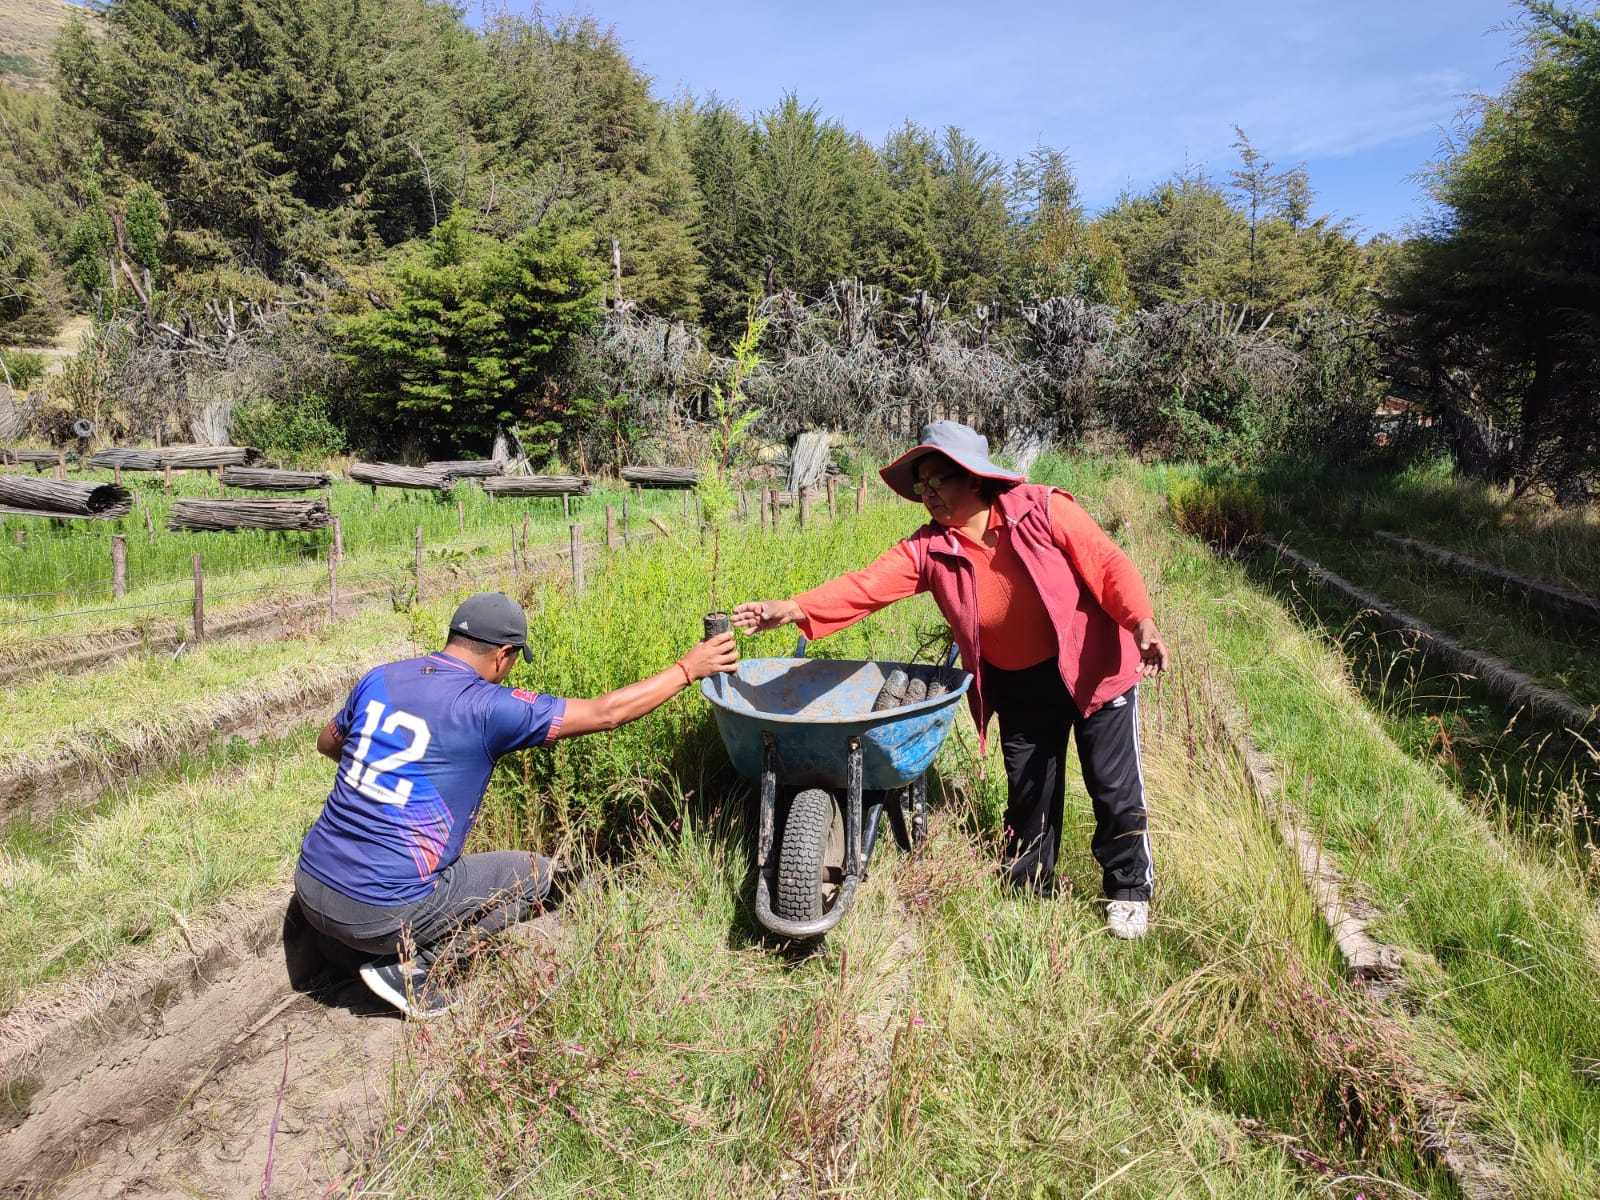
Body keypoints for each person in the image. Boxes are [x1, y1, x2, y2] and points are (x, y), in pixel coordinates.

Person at [733, 421, 1167, 939]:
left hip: (1093, 669)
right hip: (1021, 684)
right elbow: (864, 587)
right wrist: (794, 609)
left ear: (975, 478)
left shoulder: (1043, 510)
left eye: (940, 479)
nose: (929, 493)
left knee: (1113, 786)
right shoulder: (930, 549)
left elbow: (1108, 564)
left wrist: (1141, 622)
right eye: (922, 485)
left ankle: (1128, 890)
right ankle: (1030, 888)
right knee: (1030, 794)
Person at [292, 591, 738, 1017]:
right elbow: (607, 713)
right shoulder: (487, 707)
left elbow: (329, 742)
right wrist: (687, 668)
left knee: (415, 874)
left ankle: (347, 947)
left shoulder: (380, 676)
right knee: (535, 876)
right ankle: (409, 966)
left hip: (310, 885)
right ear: (504, 654)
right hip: (380, 911)